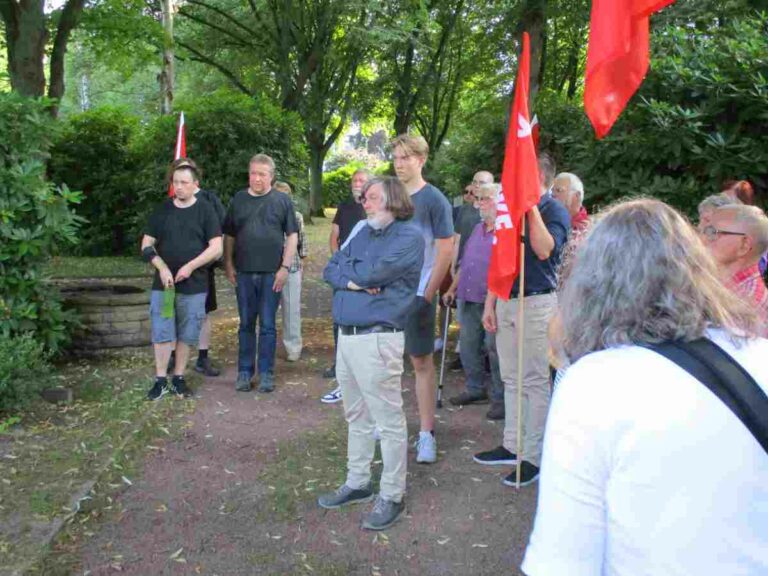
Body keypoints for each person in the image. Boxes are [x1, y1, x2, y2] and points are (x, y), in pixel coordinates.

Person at [522, 199, 767, 576]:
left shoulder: (592, 384)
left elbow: (562, 562)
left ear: (592, 284)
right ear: (696, 269)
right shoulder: (761, 355)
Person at [318, 177, 424, 531]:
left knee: (388, 421)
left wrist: (354, 275)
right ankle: (358, 483)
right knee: (356, 415)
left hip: (378, 339)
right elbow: (330, 269)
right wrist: (353, 281)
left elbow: (375, 272)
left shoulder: (409, 237)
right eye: (364, 198)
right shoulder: (362, 232)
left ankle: (392, 495)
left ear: (393, 200)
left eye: (373, 197)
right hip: (347, 339)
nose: (365, 202)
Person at [474, 153, 570, 486]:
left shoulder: (553, 210)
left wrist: (529, 208)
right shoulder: (508, 212)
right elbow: (500, 259)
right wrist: (491, 301)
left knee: (533, 380)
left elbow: (545, 250)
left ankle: (533, 456)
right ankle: (512, 444)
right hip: (506, 299)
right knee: (511, 377)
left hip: (537, 301)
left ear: (536, 177)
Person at [391, 134, 453, 464]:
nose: (399, 163)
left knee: (421, 362)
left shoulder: (434, 200)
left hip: (418, 294)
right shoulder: (390, 196)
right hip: (388, 294)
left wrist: (428, 293)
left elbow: (445, 250)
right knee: (385, 360)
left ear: (421, 160)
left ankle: (426, 434)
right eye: (396, 158)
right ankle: (387, 425)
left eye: (406, 158)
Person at [141, 164, 223, 400]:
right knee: (163, 331)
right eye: (175, 182)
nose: (178, 187)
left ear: (195, 185)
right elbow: (146, 244)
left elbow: (216, 248)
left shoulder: (206, 211)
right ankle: (160, 380)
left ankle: (178, 378)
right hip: (166, 288)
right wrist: (162, 267)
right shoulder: (163, 210)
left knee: (188, 334)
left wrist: (190, 266)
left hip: (194, 287)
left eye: (184, 182)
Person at [223, 154, 298, 393]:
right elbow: (229, 235)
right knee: (246, 324)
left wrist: (285, 267)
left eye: (262, 174)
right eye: (253, 173)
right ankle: (244, 372)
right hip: (243, 273)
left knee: (267, 325)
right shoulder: (238, 199)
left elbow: (293, 236)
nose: (257, 178)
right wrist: (228, 263)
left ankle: (266, 374)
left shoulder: (282, 201)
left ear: (271, 176)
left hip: (272, 275)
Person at [442, 183, 504, 420]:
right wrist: (451, 288)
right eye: (479, 199)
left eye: (486, 199)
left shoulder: (505, 232)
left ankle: (501, 398)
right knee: (468, 346)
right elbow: (465, 263)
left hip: (493, 301)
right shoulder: (478, 229)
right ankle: (475, 389)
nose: (479, 204)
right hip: (468, 296)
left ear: (499, 202)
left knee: (494, 350)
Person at [166, 158, 226, 377]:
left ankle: (202, 357)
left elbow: (222, 232)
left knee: (203, 313)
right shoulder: (169, 204)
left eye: (185, 177)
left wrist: (210, 261)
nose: (179, 184)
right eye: (176, 178)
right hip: (171, 272)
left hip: (202, 271)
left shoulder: (209, 200)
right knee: (169, 311)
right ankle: (171, 355)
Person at [321, 169, 369, 399]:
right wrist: (337, 260)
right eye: (355, 180)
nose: (357, 183)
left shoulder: (375, 207)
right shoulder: (345, 206)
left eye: (362, 180)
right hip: (343, 268)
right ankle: (338, 362)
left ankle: (360, 367)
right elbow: (334, 236)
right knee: (339, 317)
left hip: (364, 272)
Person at [702, 204, 768, 335]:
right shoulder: (725, 288)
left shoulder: (747, 306)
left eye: (712, 232)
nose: (703, 239)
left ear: (744, 245)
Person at [273, 181, 307, 362]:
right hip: (269, 269)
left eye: (287, 194)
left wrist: (302, 265)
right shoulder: (267, 214)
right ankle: (267, 345)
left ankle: (293, 347)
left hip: (292, 268)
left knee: (292, 310)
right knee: (267, 310)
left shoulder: (297, 217)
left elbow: (302, 244)